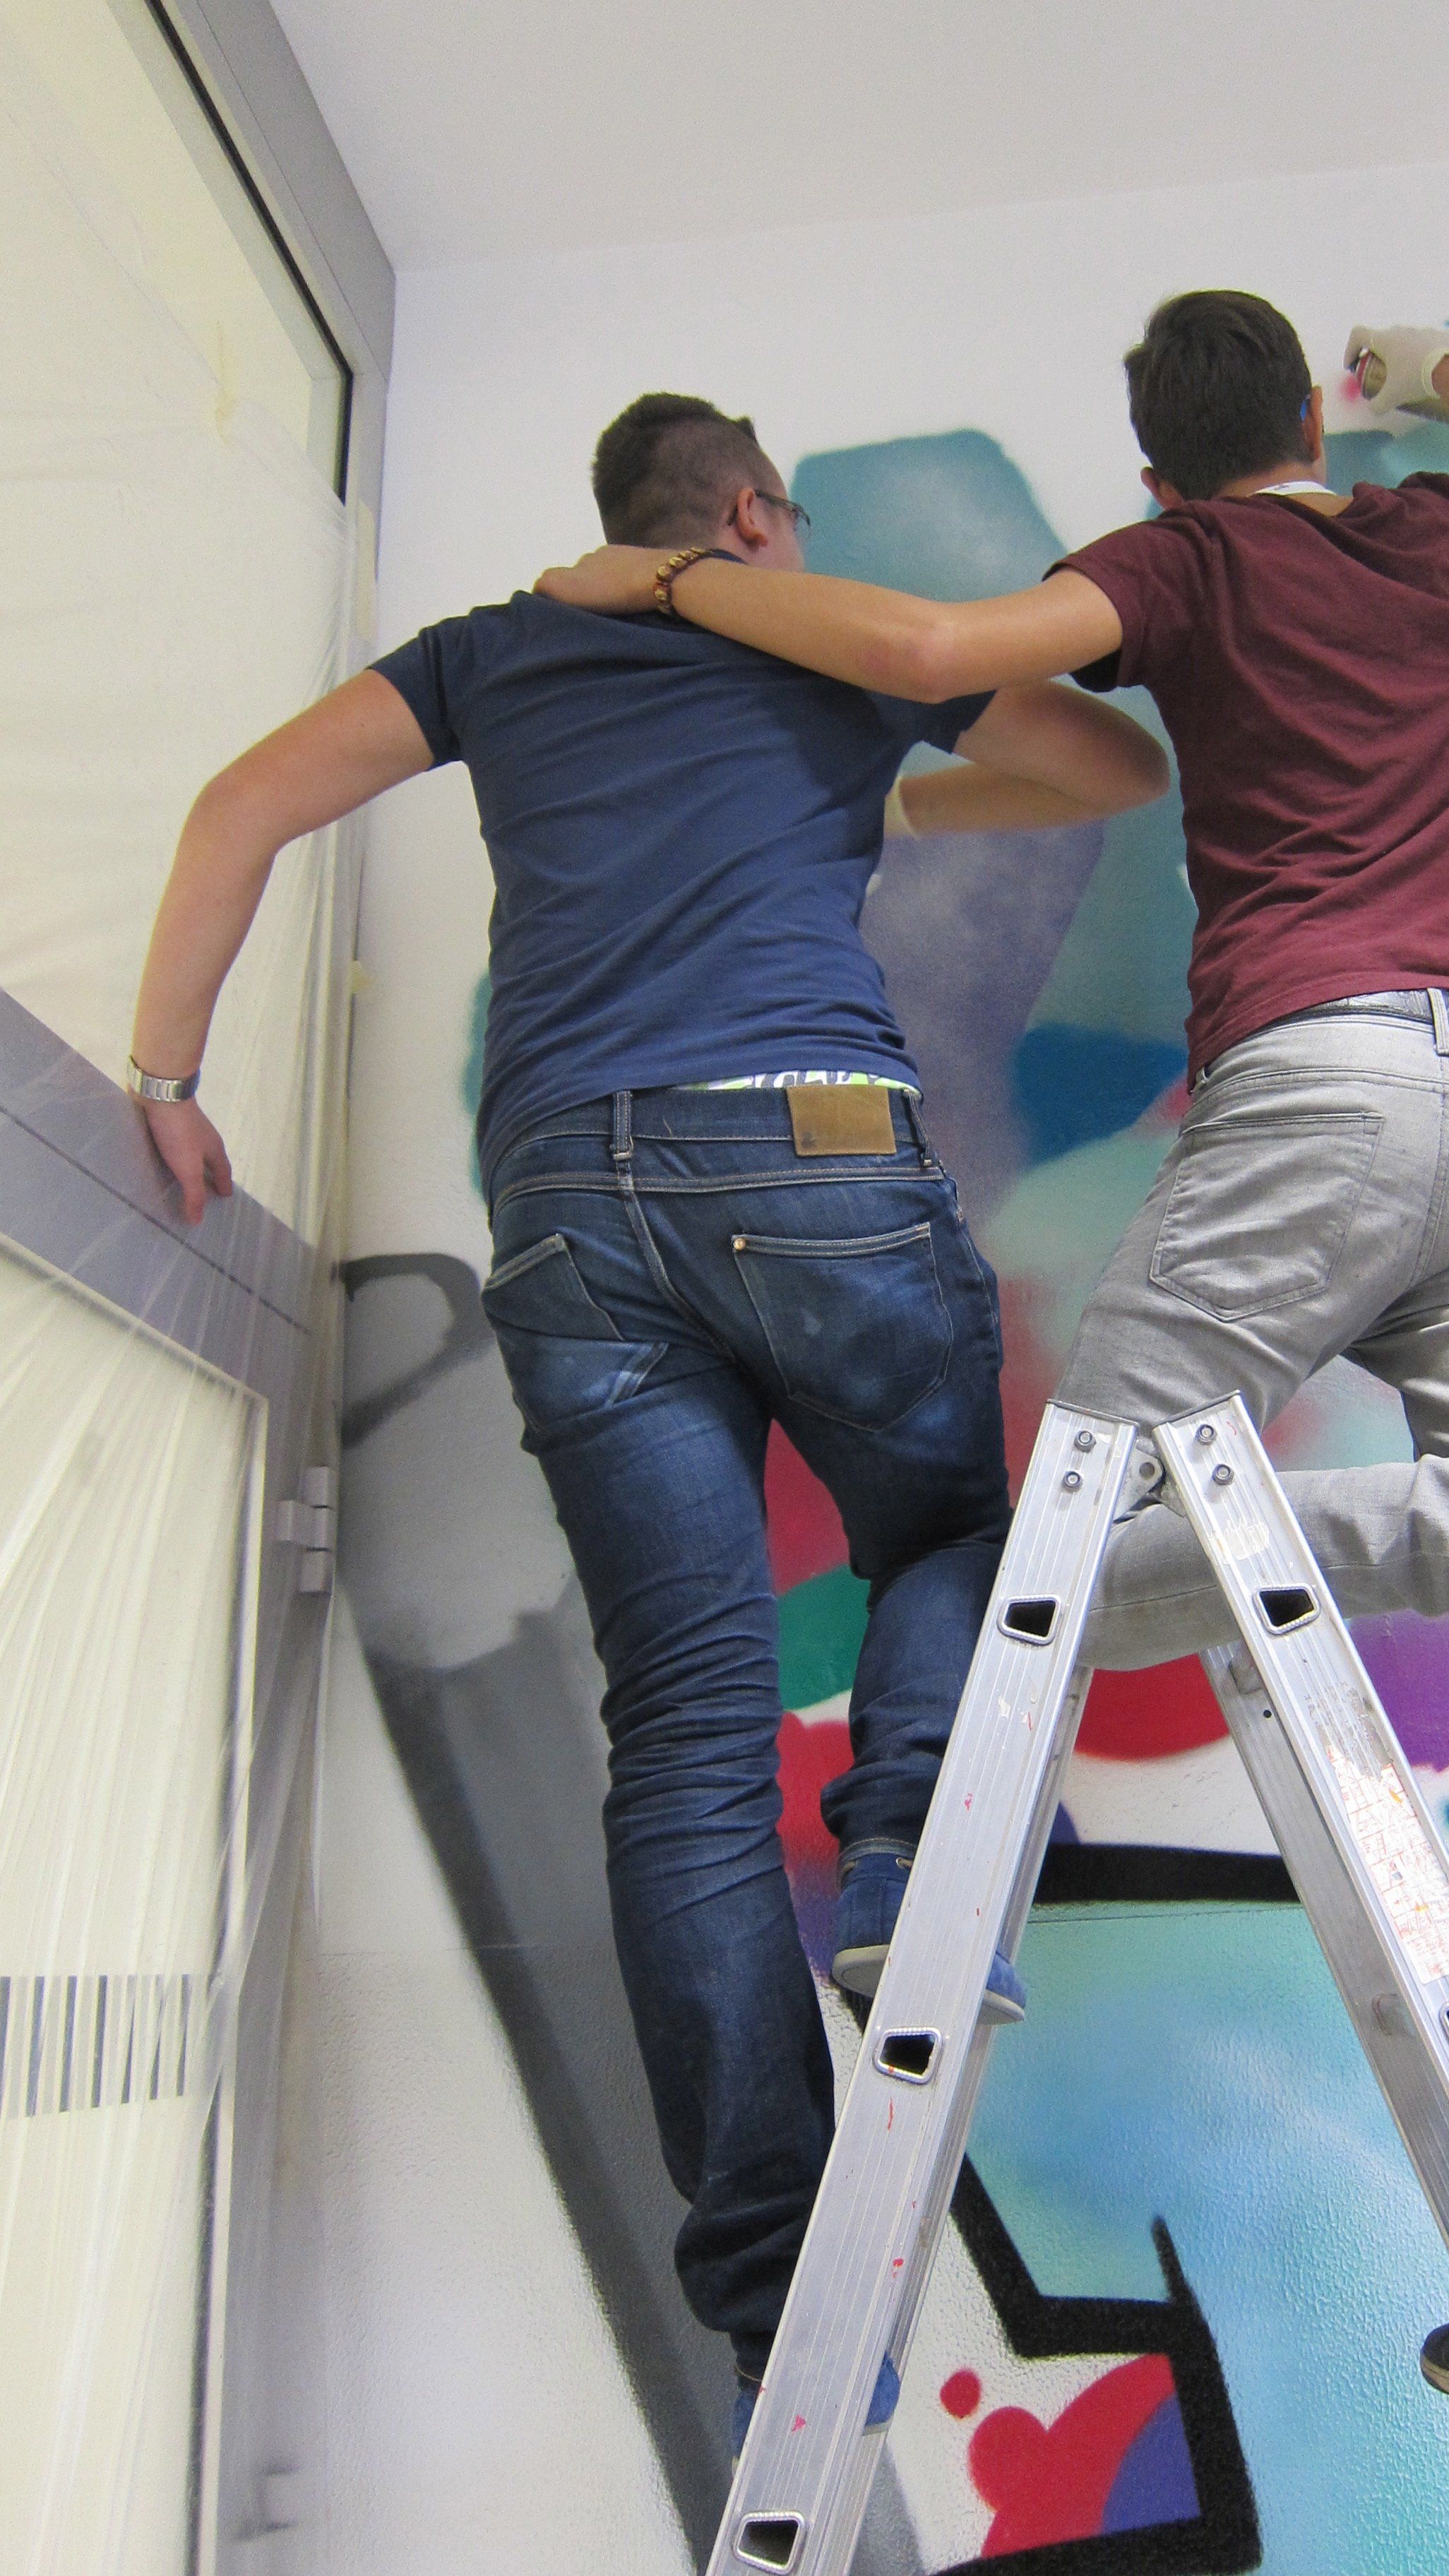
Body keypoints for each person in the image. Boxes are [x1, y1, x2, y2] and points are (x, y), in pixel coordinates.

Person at [535, 306, 1449, 2417]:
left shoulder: (1190, 561)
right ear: (1309, 430)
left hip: (1322, 1096)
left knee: (1048, 1581)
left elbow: (932, 652)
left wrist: (667, 580)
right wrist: (1441, 369)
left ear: (1160, 467)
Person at [125, 390, 1170, 2447]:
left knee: (683, 1732)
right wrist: (880, 765)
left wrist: (166, 1080)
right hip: (807, 1144)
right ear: (755, 514)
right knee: (954, 1536)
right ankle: (905, 1858)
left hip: (564, 1204)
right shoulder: (843, 645)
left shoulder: (495, 655)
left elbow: (239, 805)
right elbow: (1110, 764)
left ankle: (780, 2303)